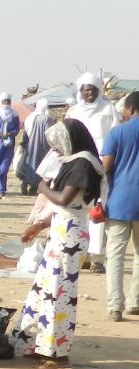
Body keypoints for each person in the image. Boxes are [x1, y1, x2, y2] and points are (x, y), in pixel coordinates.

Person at [9, 119, 103, 368]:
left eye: (58, 145)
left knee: (59, 293)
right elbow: (65, 208)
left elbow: (64, 199)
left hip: (70, 236)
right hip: (62, 232)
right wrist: (39, 226)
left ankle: (57, 353)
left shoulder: (83, 164)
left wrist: (40, 186)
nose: (56, 150)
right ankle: (38, 344)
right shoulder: (73, 163)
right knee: (45, 290)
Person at [68, 73, 121, 271]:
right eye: (86, 89)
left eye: (92, 89)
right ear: (80, 91)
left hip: (101, 165)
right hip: (77, 166)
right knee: (78, 209)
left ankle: (97, 258)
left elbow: (114, 138)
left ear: (98, 90)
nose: (89, 92)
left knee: (98, 209)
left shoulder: (109, 110)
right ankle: (83, 255)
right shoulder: (74, 111)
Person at [101, 91, 139, 321]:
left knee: (115, 255)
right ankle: (135, 302)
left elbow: (105, 167)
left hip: (119, 202)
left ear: (131, 109)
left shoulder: (117, 133)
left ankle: (115, 306)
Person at [17, 100, 53, 195]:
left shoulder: (31, 116)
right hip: (43, 145)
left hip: (31, 143)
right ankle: (34, 188)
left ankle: (25, 183)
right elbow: (48, 133)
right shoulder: (47, 118)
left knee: (30, 164)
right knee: (41, 166)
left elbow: (26, 130)